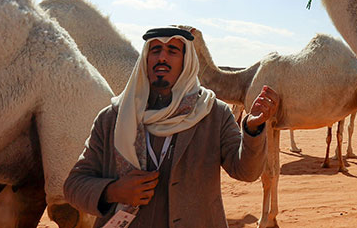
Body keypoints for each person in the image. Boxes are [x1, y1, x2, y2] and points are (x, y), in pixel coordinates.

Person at [64, 26, 279, 228]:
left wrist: (252, 129)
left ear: (187, 62)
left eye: (172, 50)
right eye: (155, 50)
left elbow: (246, 172)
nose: (162, 57)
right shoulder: (112, 118)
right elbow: (74, 185)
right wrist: (113, 192)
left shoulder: (213, 114)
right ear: (145, 59)